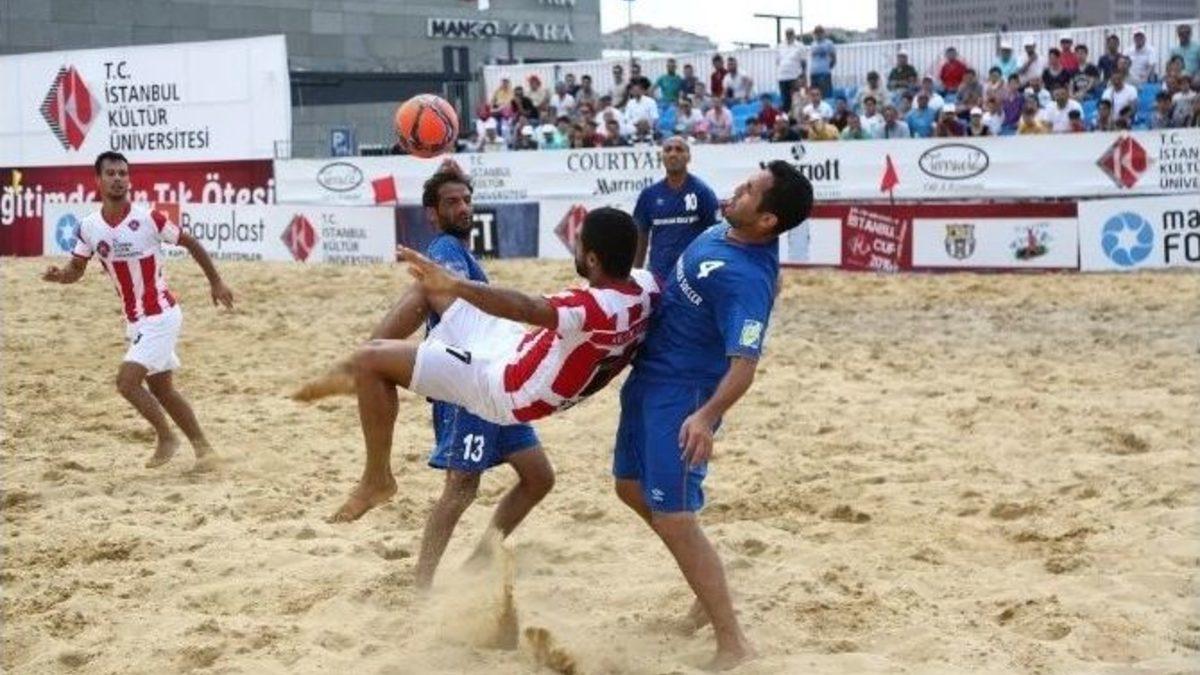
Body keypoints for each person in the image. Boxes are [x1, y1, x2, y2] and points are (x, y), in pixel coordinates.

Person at [613, 160, 814, 671]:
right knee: (629, 488)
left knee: (675, 517)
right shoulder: (727, 231)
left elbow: (744, 366)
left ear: (767, 220)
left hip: (683, 397)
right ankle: (705, 588)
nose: (737, 190)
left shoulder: (746, 279)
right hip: (649, 378)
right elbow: (774, 282)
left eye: (749, 191)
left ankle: (733, 643)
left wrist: (705, 417)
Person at [43, 151, 233, 470]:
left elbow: (190, 242)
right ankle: (205, 450)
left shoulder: (149, 218)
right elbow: (76, 268)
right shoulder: (88, 227)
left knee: (126, 382)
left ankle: (166, 437)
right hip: (135, 321)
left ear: (129, 180)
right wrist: (60, 276)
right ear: (98, 180)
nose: (118, 179)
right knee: (163, 390)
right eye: (111, 173)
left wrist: (215, 281)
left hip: (161, 314)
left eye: (123, 173)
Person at [632, 136, 721, 281]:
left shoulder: (702, 192)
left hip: (692, 275)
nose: (673, 154)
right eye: (668, 150)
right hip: (658, 275)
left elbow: (715, 233)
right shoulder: (649, 194)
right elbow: (641, 234)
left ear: (688, 157)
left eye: (679, 149)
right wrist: (636, 273)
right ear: (662, 157)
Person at [776, 28, 807, 113]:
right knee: (785, 101)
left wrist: (803, 77)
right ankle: (787, 118)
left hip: (795, 77)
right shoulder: (780, 46)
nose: (789, 35)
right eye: (787, 34)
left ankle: (796, 118)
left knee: (797, 100)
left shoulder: (800, 46)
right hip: (782, 77)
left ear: (794, 34)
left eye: (790, 33)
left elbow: (804, 62)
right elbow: (778, 62)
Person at [808, 25, 837, 98]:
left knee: (825, 95)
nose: (818, 34)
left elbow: (833, 59)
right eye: (816, 33)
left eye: (820, 32)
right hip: (813, 73)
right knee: (814, 95)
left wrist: (827, 67)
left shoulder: (829, 43)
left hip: (824, 73)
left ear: (823, 33)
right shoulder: (812, 44)